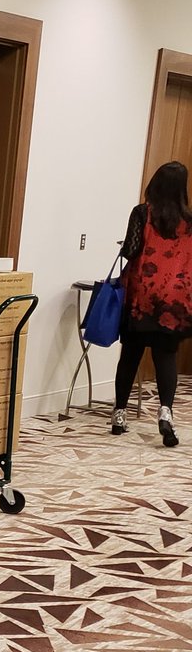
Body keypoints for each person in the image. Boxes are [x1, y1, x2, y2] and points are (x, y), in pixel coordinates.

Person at [111, 160, 192, 448]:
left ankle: (120, 414)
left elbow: (131, 250)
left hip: (141, 298)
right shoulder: (189, 221)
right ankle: (166, 413)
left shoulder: (142, 213)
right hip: (175, 302)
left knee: (130, 355)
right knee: (165, 358)